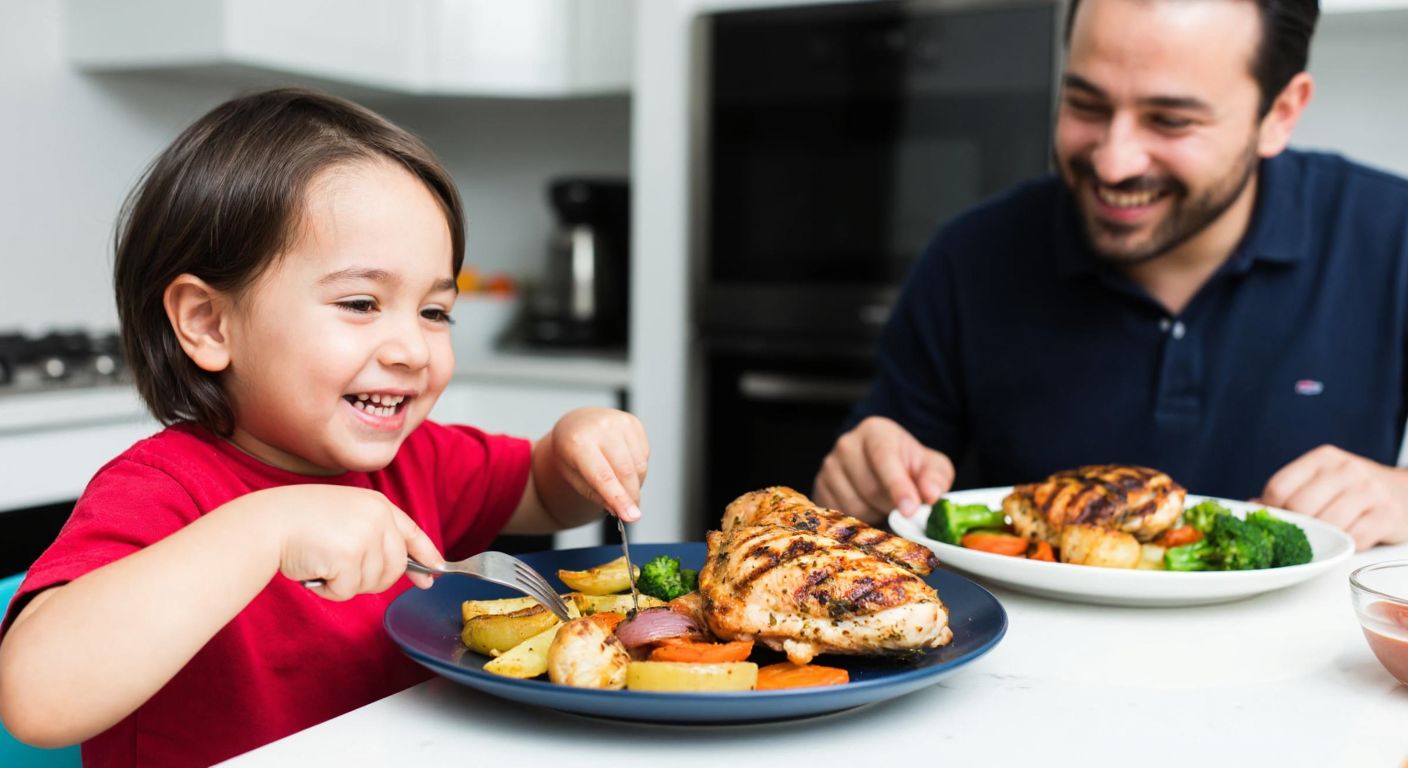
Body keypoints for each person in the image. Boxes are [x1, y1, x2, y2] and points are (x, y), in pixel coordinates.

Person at [0, 88, 650, 765]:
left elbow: (546, 493)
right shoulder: (162, 490)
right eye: (361, 302)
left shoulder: (419, 462)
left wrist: (578, 445)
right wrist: (265, 530)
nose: (412, 349)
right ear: (208, 323)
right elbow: (37, 699)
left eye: (434, 311)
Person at [813, 0, 1408, 551]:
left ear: (1279, 113)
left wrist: (1400, 494)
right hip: (1022, 660)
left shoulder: (1392, 235)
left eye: (1171, 121)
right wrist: (859, 480)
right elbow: (862, 506)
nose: (1113, 161)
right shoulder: (969, 255)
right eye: (1085, 105)